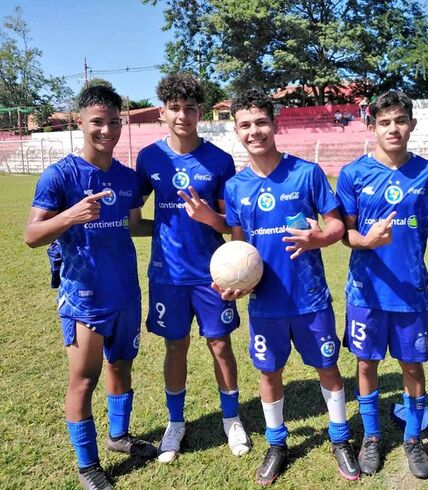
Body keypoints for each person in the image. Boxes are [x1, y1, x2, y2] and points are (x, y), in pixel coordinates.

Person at [220, 89, 360, 485]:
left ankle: (340, 438)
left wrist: (319, 238)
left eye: (261, 122)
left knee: (327, 367)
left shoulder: (307, 173)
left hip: (309, 298)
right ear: (236, 130)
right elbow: (238, 249)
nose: (255, 131)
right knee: (269, 374)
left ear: (275, 124)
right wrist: (237, 283)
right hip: (265, 304)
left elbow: (336, 225)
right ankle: (277, 443)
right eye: (245, 125)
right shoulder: (236, 187)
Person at [24, 85, 156, 490]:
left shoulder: (127, 178)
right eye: (97, 121)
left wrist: (183, 227)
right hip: (85, 296)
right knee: (84, 379)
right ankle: (87, 467)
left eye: (114, 121)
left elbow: (134, 225)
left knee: (121, 366)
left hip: (125, 294)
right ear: (80, 122)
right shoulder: (60, 175)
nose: (106, 130)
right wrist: (72, 215)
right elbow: (31, 235)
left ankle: (118, 437)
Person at [135, 73, 250, 463]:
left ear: (200, 112)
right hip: (167, 274)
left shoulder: (219, 159)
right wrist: (163, 227)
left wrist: (206, 217)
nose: (182, 115)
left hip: (212, 274)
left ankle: (232, 418)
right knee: (175, 346)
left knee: (220, 344)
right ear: (163, 112)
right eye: (175, 108)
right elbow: (135, 218)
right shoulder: (149, 157)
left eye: (190, 108)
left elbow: (229, 224)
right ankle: (175, 422)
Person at [336, 90, 428, 478]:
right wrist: (366, 241)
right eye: (384, 122)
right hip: (365, 292)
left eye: (400, 120)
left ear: (412, 124)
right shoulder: (353, 173)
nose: (393, 128)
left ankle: (414, 438)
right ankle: (371, 436)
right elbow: (344, 233)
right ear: (372, 127)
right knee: (366, 362)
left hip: (410, 292)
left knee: (412, 366)